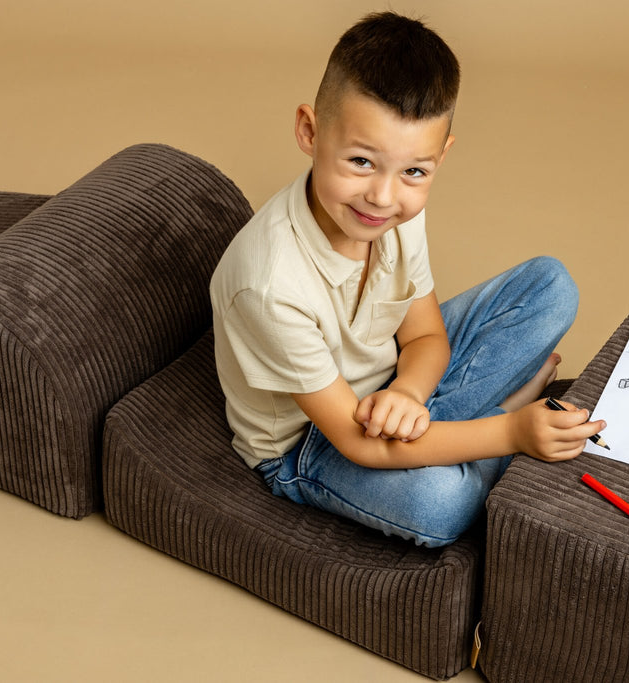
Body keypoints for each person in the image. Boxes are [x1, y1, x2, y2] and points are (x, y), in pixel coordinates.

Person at [210, 11, 604, 547]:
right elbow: (356, 441)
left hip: (392, 382)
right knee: (438, 505)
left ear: (440, 156)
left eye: (414, 172)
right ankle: (499, 414)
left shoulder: (397, 212)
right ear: (310, 130)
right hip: (312, 443)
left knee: (550, 286)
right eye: (360, 161)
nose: (383, 197)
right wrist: (510, 431)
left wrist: (408, 392)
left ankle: (449, 433)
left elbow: (423, 336)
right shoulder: (268, 285)